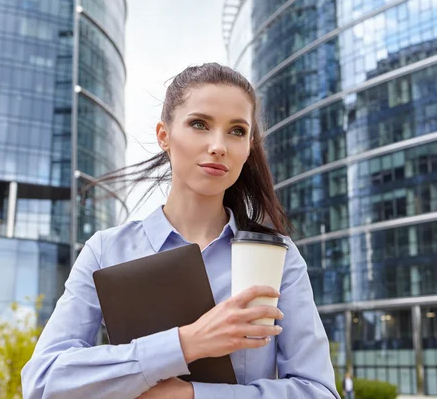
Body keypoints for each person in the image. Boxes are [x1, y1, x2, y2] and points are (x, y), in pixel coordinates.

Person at [21, 63, 339, 398]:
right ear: (164, 135)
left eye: (237, 131)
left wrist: (189, 395)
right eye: (200, 124)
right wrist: (186, 343)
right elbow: (42, 382)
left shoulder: (276, 256)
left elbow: (318, 391)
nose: (219, 145)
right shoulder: (107, 250)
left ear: (248, 148)